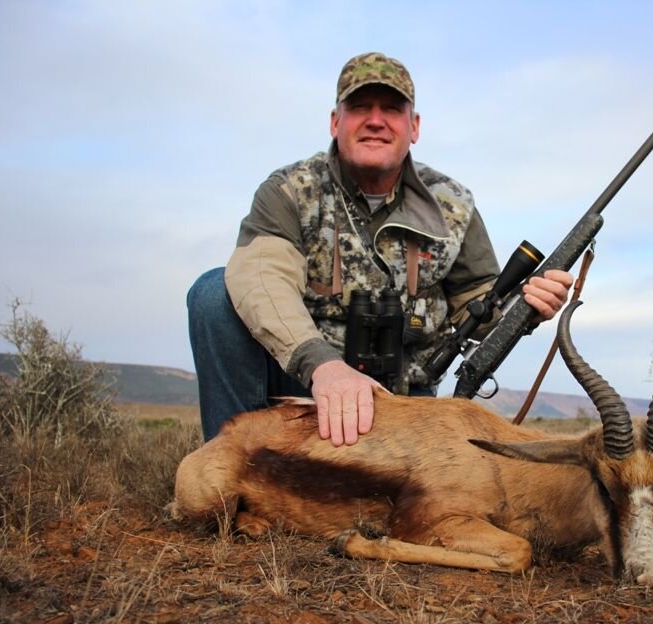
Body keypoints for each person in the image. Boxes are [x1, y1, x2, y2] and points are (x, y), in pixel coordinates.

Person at [188, 52, 571, 445]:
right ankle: (234, 469)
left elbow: (480, 304)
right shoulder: (290, 190)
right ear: (336, 122)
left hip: (405, 403)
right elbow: (260, 278)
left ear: (414, 127)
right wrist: (324, 367)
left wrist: (527, 306)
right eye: (359, 108)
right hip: (310, 386)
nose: (375, 121)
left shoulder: (454, 206)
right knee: (214, 294)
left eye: (391, 109)